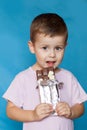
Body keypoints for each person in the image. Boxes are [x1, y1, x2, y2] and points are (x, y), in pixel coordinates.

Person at [3, 13, 87, 130]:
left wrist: (71, 111)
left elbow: (80, 106)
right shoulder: (23, 78)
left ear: (65, 47)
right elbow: (10, 110)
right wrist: (32, 114)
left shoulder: (68, 77)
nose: (52, 55)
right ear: (32, 47)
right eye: (45, 48)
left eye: (58, 48)